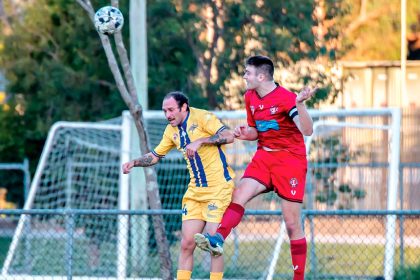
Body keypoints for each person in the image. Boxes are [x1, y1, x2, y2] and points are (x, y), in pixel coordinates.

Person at [194, 55, 316, 280]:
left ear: (261, 76)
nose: (244, 77)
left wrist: (300, 104)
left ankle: (299, 278)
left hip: (290, 161)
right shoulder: (250, 96)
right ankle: (218, 239)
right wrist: (244, 133)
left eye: (247, 73)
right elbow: (255, 130)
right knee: (239, 194)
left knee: (291, 224)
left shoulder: (286, 98)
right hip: (263, 157)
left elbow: (307, 131)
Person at [122, 91, 236, 280]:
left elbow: (229, 135)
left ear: (184, 107)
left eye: (171, 109)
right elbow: (155, 156)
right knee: (187, 244)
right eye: (165, 111)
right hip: (194, 193)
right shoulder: (171, 130)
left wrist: (200, 141)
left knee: (213, 244)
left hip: (219, 189)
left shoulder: (203, 118)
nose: (168, 115)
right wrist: (134, 162)